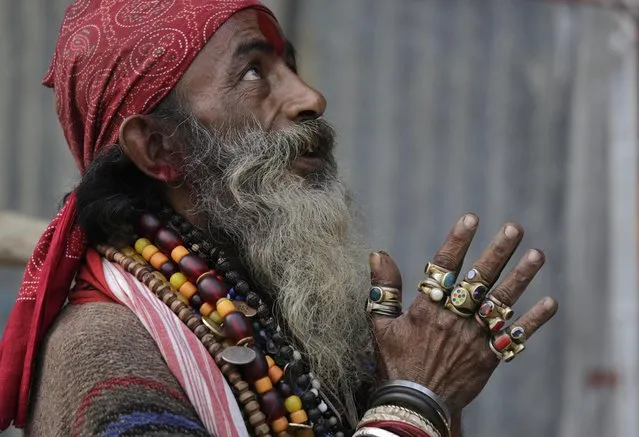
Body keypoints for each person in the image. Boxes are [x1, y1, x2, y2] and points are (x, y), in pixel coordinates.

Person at [0, 1, 558, 436]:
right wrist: (416, 397)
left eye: (288, 64)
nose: (310, 96)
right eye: (252, 74)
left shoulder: (283, 321)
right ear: (158, 148)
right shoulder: (101, 354)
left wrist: (406, 388)